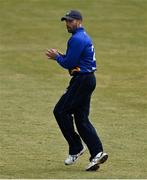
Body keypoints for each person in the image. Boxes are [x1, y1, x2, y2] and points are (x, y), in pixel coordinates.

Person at [46, 10, 108, 171]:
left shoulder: (77, 39)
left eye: (71, 21)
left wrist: (57, 57)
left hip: (82, 81)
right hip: (87, 79)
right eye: (66, 21)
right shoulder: (82, 37)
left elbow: (68, 63)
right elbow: (72, 60)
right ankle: (97, 153)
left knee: (60, 111)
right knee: (81, 119)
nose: (67, 24)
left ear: (79, 21)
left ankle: (76, 147)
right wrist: (61, 56)